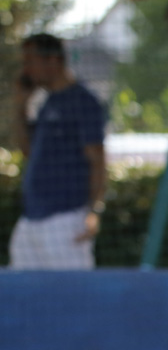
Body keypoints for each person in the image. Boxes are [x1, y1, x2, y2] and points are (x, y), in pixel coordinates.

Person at [8, 33, 107, 270]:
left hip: (66, 218)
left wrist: (93, 211)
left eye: (30, 61)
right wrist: (20, 107)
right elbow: (27, 151)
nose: (26, 70)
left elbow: (97, 161)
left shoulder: (83, 101)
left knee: (73, 297)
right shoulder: (46, 103)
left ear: (52, 60)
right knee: (24, 295)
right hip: (32, 217)